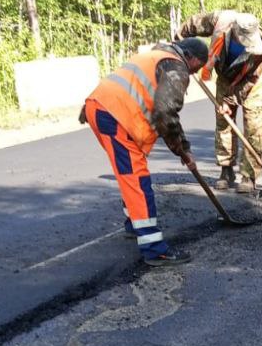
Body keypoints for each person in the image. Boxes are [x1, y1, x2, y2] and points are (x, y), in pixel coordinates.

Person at [82, 37, 209, 266]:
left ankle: (134, 223)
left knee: (129, 173)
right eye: (197, 67)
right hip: (115, 115)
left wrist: (181, 148)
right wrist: (182, 150)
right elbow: (165, 114)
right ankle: (154, 249)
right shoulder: (176, 68)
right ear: (189, 57)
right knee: (138, 181)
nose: (194, 73)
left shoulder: (156, 55)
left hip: (100, 107)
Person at [180, 10, 262, 195]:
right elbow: (195, 23)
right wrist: (179, 39)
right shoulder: (221, 22)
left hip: (252, 82)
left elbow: (252, 78)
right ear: (235, 33)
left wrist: (232, 98)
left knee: (254, 127)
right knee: (223, 124)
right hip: (225, 76)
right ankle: (226, 169)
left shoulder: (259, 48)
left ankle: (249, 175)